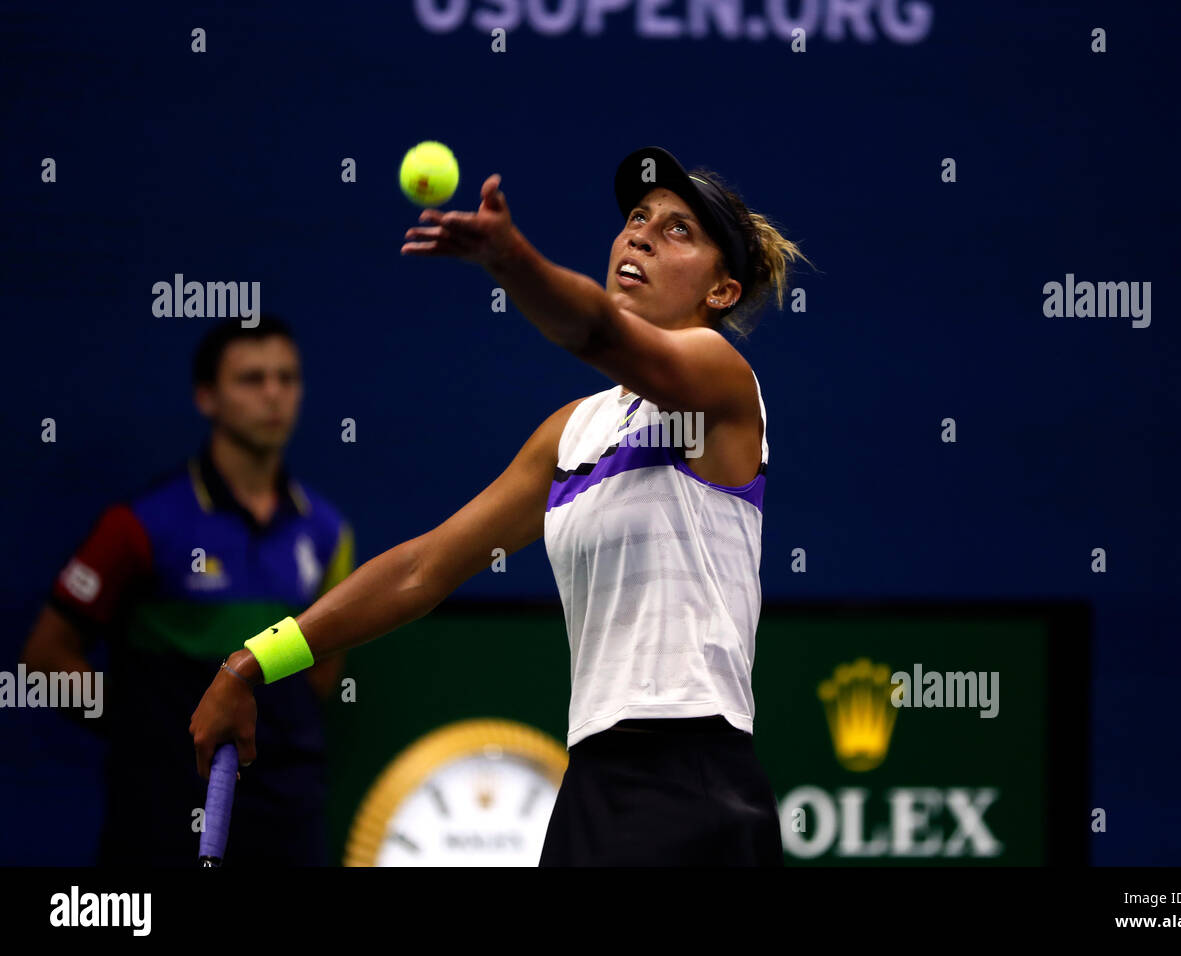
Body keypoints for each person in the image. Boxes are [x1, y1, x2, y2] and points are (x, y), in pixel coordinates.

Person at [189, 146, 813, 865]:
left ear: (722, 291)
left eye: (678, 231)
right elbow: (423, 569)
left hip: (694, 781)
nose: (638, 234)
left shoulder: (722, 381)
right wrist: (254, 662)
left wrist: (510, 258)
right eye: (637, 217)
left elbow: (599, 334)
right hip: (594, 785)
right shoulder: (572, 434)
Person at [21, 315, 353, 866]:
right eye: (251, 379)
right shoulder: (141, 525)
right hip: (162, 810)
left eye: (287, 378)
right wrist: (147, 730)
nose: (273, 395)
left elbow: (323, 668)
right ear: (207, 397)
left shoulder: (326, 531)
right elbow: (45, 660)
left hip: (285, 813)